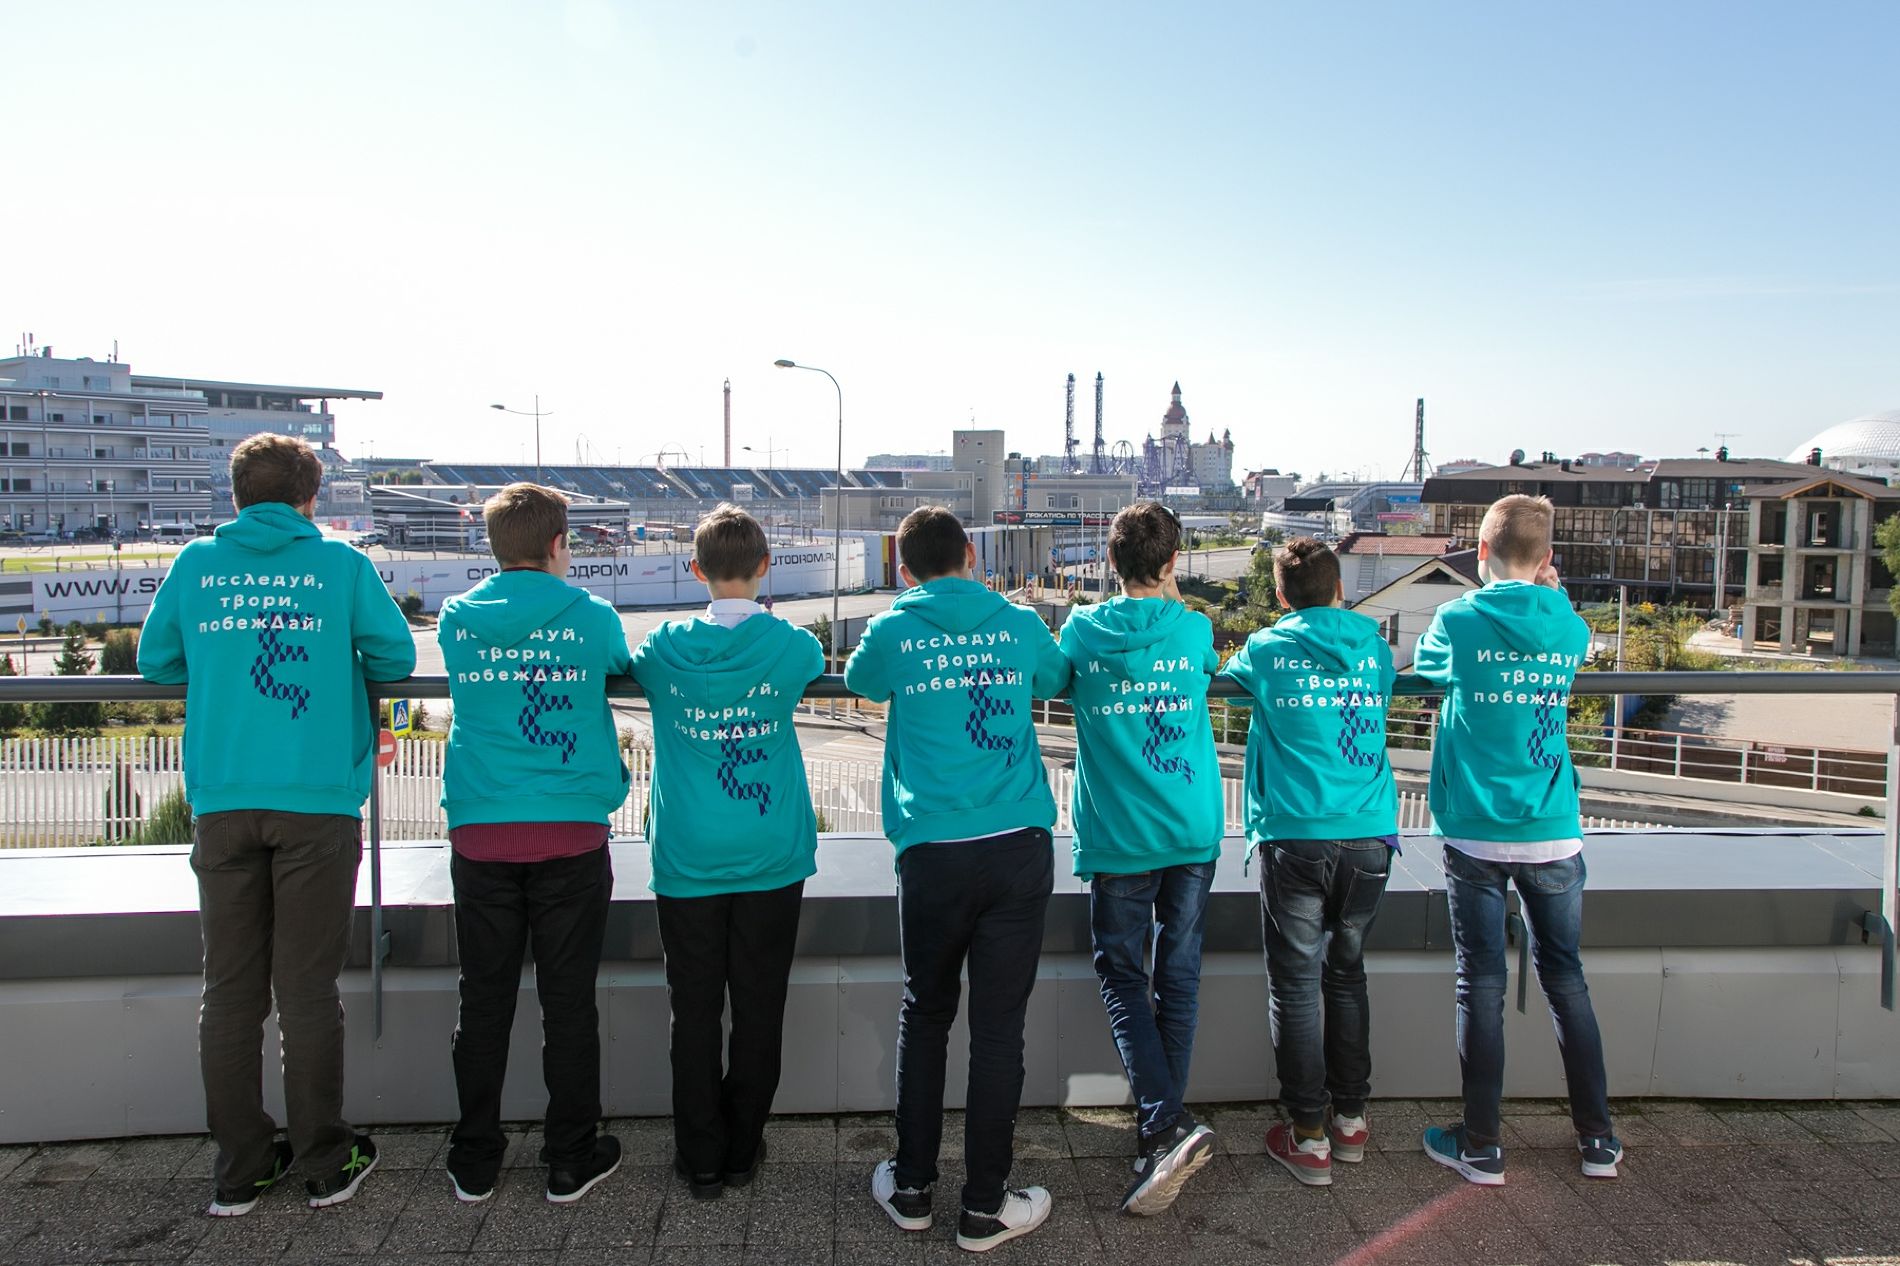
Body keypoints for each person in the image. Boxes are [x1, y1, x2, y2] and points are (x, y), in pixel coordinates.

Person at [138, 433, 416, 1216]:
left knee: (229, 991)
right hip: (317, 802)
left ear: (236, 497)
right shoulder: (339, 565)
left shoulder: (196, 564)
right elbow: (394, 656)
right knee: (307, 990)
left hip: (224, 800)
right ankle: (325, 1161)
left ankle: (241, 1169)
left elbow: (159, 662)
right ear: (309, 498)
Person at [844, 505, 1070, 1253]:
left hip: (933, 848)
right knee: (999, 1027)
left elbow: (860, 681)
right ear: (972, 554)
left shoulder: (894, 627)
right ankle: (984, 1206)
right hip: (1016, 842)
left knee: (927, 1013)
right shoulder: (1018, 621)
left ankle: (912, 1188)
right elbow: (1056, 675)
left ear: (906, 569)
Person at [1412, 494, 1622, 1185]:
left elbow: (1427, 668)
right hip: (1553, 828)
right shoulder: (1568, 623)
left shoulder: (1458, 617)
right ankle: (1597, 1140)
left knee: (1481, 983)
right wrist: (1551, 595)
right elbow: (1568, 632)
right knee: (1567, 980)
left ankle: (1481, 1146)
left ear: (1480, 553)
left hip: (1475, 828)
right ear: (1547, 559)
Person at [436, 483, 629, 1205]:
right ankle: (570, 1158)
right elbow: (617, 663)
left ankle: (475, 1157)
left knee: (483, 1000)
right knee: (568, 1002)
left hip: (482, 830)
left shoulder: (458, 617)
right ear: (557, 544)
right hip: (571, 830)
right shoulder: (592, 615)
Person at [629, 504, 824, 1199]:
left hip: (687, 855)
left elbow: (636, 663)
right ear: (766, 566)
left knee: (694, 1012)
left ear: (696, 569)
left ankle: (701, 1158)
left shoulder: (663, 650)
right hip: (770, 851)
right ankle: (743, 1149)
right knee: (759, 1008)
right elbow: (811, 661)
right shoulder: (791, 647)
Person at [1219, 537, 1398, 1187]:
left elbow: (1232, 684)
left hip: (1295, 833)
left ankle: (1309, 1136)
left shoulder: (1267, 649)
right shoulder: (1375, 647)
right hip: (1370, 833)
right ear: (1340, 588)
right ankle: (1350, 1120)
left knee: (1296, 987)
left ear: (1282, 595)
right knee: (1346, 974)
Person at [1058, 502, 1222, 1214]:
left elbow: (1056, 677)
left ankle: (1162, 1128)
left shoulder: (1082, 630)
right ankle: (1162, 1131)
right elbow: (1203, 663)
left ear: (1110, 561)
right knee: (1177, 980)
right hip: (1189, 828)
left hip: (1121, 836)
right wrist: (1170, 596)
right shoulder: (1193, 627)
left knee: (1125, 979)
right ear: (1173, 562)